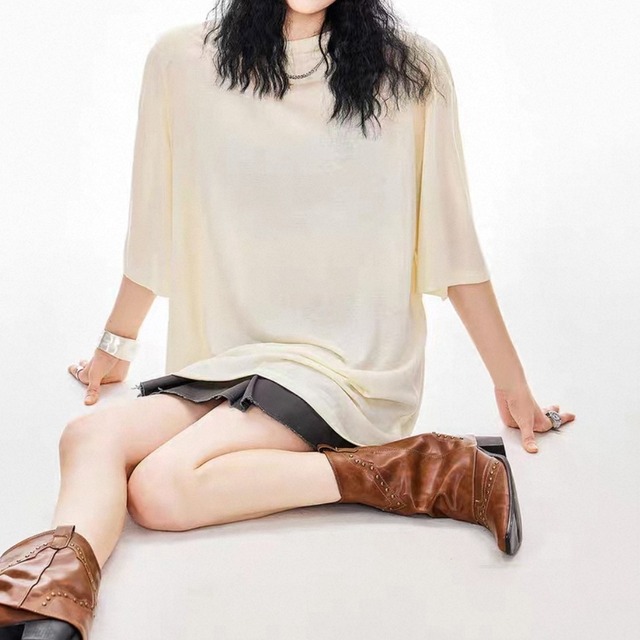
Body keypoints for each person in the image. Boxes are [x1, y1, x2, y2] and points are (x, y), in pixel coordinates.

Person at [0, 2, 576, 639]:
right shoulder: (181, 61)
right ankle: (45, 604)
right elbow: (154, 228)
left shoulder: (411, 71)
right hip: (230, 359)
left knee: (161, 489)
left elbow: (454, 248)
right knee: (87, 437)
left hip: (349, 370)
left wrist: (512, 385)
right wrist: (116, 345)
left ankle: (431, 468)